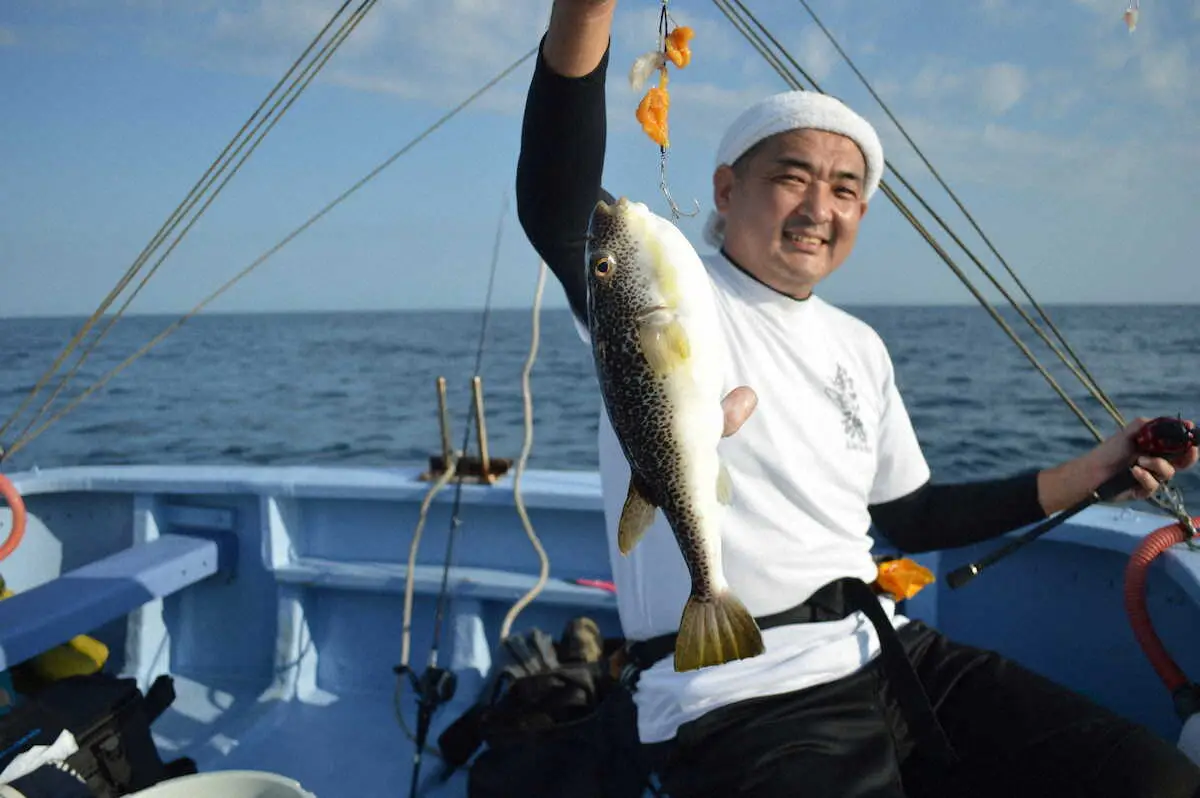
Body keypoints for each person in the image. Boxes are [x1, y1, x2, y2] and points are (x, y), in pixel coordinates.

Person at [514, 1, 1200, 795]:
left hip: (890, 650)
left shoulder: (859, 345)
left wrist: (1097, 469)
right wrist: (589, 11)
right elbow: (556, 201)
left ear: (862, 214)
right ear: (726, 190)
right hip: (735, 689)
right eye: (791, 177)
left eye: (844, 189)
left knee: (1155, 782)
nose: (818, 208)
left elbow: (913, 518)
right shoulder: (669, 295)